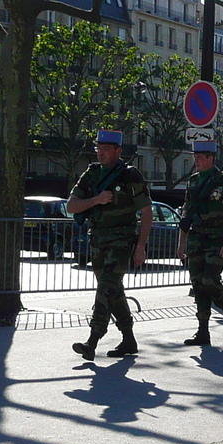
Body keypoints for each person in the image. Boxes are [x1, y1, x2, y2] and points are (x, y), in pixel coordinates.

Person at [68, 129, 152, 360]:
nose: (101, 153)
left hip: (121, 240)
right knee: (113, 292)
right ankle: (129, 339)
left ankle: (93, 340)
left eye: (106, 149)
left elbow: (146, 211)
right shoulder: (92, 173)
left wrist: (141, 245)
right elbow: (71, 206)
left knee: (106, 287)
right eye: (98, 149)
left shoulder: (130, 175)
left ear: (118, 151)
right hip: (97, 239)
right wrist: (96, 200)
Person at [177, 140, 223, 346]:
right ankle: (202, 331)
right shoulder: (193, 181)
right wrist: (181, 243)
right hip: (197, 237)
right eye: (195, 157)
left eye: (200, 157)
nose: (196, 161)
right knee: (197, 284)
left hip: (217, 237)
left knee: (210, 280)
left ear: (211, 158)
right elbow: (186, 213)